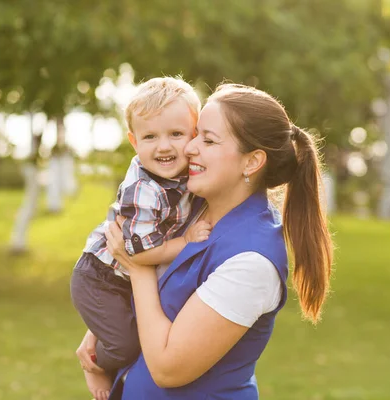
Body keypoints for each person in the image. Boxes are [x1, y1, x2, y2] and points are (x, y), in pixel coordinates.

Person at [78, 83, 334, 399]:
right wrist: (103, 327)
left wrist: (137, 260)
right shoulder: (191, 208)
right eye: (195, 133)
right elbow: (158, 299)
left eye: (208, 140)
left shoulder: (252, 261)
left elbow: (168, 368)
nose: (188, 148)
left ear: (252, 162)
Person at [70, 77, 212, 400]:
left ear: (194, 135)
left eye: (175, 134)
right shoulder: (144, 191)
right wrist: (187, 240)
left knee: (137, 332)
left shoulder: (184, 175)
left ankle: (99, 345)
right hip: (100, 277)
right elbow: (136, 255)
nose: (163, 146)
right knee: (126, 345)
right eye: (150, 137)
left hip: (120, 275)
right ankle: (94, 365)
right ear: (134, 142)